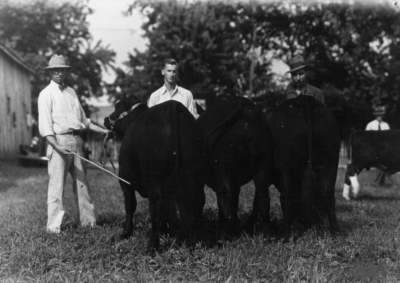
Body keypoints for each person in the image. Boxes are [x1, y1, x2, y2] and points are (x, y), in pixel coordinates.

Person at [38, 54, 110, 233]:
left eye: (62, 70)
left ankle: (88, 223)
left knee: (82, 184)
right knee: (56, 186)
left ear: (65, 71)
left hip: (76, 140)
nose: (59, 73)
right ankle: (54, 228)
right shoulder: (45, 94)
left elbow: (84, 120)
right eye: (55, 70)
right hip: (58, 141)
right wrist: (56, 146)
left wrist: (103, 131)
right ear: (50, 73)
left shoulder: (71, 92)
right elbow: (46, 127)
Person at [365, 106, 391, 185]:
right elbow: (366, 138)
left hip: (383, 149)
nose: (379, 116)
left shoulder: (386, 125)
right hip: (373, 148)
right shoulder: (370, 125)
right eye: (378, 115)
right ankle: (375, 182)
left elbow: (389, 138)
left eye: (381, 115)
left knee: (384, 164)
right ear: (375, 115)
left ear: (383, 115)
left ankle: (379, 182)